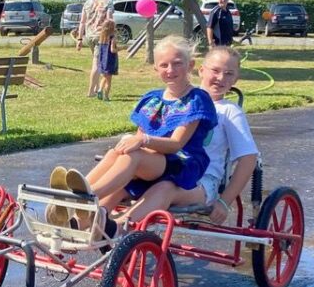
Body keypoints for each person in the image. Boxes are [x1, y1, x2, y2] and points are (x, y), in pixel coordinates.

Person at [51, 36, 216, 229]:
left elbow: (176, 144)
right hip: (153, 162)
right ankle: (80, 215)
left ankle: (87, 196)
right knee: (118, 152)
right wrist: (133, 142)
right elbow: (139, 137)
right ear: (156, 69)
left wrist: (142, 140)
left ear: (190, 65)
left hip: (181, 162)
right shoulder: (152, 99)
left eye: (177, 64)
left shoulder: (196, 99)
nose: (170, 70)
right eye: (164, 65)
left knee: (134, 155)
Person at [123, 47, 259, 225]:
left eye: (228, 74)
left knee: (165, 189)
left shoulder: (229, 111)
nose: (220, 78)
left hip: (202, 182)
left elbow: (248, 158)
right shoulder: (183, 100)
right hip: (166, 168)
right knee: (125, 180)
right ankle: (94, 218)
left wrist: (224, 201)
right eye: (215, 71)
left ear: (235, 78)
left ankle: (120, 227)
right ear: (201, 70)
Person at [75, 0, 113, 97]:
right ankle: (91, 91)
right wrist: (113, 35)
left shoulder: (87, 2)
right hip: (101, 36)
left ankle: (96, 88)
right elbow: (109, 20)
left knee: (97, 61)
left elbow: (82, 22)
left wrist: (80, 38)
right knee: (96, 63)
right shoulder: (108, 2)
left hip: (89, 36)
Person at [96, 18, 119, 101]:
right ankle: (106, 96)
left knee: (104, 77)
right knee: (109, 80)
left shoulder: (102, 36)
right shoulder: (112, 38)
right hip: (110, 60)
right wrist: (121, 49)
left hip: (102, 60)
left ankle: (99, 90)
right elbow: (112, 50)